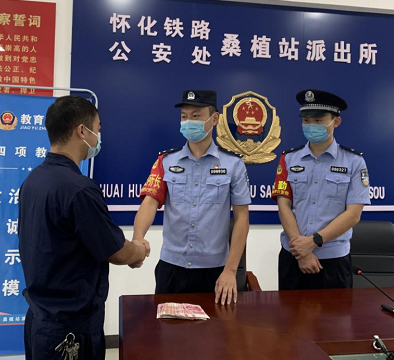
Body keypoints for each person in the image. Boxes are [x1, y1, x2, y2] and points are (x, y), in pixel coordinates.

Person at [18, 95, 147, 360]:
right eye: (97, 129)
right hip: (69, 329)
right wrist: (139, 250)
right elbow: (116, 251)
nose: (98, 136)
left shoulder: (33, 180)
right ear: (82, 131)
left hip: (40, 319)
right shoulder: (79, 189)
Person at [132, 90, 251, 305]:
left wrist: (231, 270)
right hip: (171, 267)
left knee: (216, 326)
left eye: (196, 116)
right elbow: (149, 203)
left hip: (215, 270)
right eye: (184, 117)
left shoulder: (233, 164)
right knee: (166, 325)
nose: (189, 122)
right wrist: (138, 238)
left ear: (214, 119)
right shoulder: (166, 161)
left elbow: (242, 217)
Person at [271, 89, 370, 290]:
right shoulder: (288, 159)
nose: (311, 125)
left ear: (336, 122)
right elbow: (284, 206)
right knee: (289, 312)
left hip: (334, 260)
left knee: (336, 312)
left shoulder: (354, 161)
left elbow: (353, 214)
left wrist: (314, 242)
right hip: (293, 257)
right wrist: (302, 251)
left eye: (318, 120)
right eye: (306, 120)